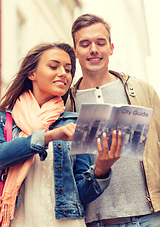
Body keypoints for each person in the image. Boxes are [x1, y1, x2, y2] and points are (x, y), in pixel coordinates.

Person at [0, 42, 122, 227]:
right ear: (31, 73)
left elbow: (80, 195)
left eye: (68, 69)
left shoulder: (76, 122)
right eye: (53, 66)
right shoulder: (5, 119)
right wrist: (48, 136)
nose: (63, 73)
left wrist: (101, 170)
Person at [65, 13, 160, 226]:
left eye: (100, 42)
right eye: (85, 44)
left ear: (111, 47)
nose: (94, 49)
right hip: (97, 221)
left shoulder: (141, 90)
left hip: (151, 216)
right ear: (75, 52)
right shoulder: (66, 103)